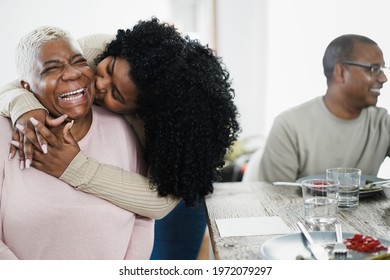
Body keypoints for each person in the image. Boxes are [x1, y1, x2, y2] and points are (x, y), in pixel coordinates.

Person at [1, 18, 240, 259]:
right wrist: (23, 107)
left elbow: (157, 205)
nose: (98, 82)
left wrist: (73, 167)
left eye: (115, 94)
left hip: (169, 189)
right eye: (109, 68)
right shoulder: (95, 50)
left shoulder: (156, 132)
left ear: (139, 112)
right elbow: (23, 81)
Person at [0, 26, 154, 259]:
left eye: (79, 62)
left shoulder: (122, 129)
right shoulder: (5, 133)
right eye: (51, 68)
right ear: (26, 87)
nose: (71, 74)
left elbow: (143, 218)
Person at [257, 34, 390, 183]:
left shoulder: (383, 123)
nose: (384, 78)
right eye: (373, 68)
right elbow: (273, 198)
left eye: (382, 68)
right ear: (340, 72)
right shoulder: (289, 125)